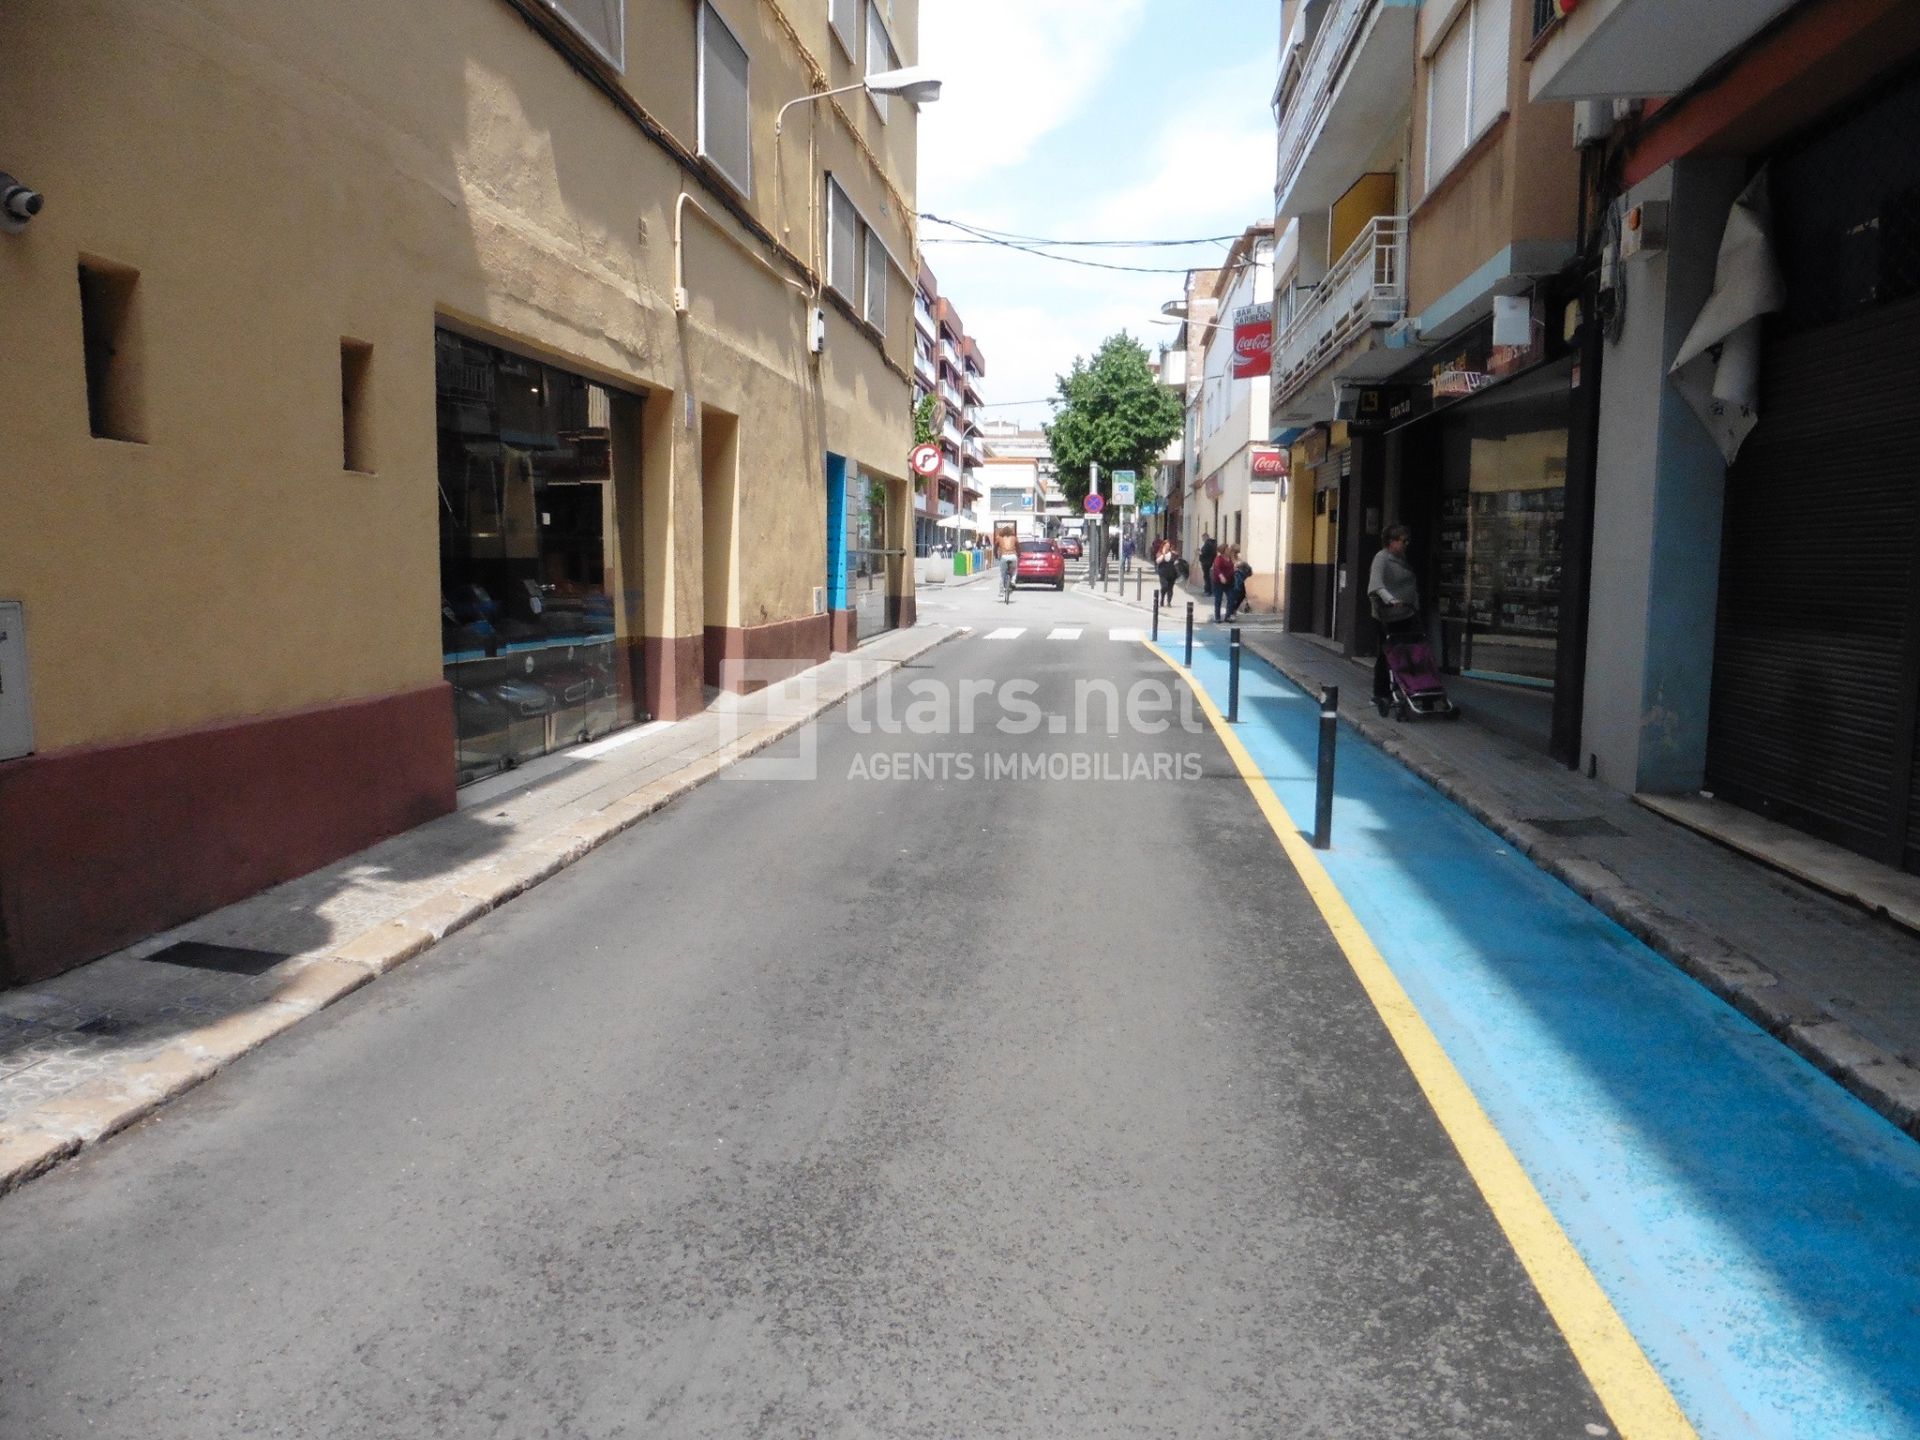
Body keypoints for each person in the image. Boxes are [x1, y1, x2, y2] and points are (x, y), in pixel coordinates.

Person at [1368, 524, 1421, 715]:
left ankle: (1406, 688)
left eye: (1407, 541)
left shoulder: (1402, 558)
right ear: (1391, 542)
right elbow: (1376, 584)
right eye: (1402, 541)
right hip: (1387, 616)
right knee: (1386, 654)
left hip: (1407, 614)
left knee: (1408, 652)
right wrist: (1391, 600)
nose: (1406, 544)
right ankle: (1380, 692)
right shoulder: (1381, 558)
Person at [1211, 544, 1237, 622]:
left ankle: (1228, 616)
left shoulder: (1230, 558)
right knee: (1218, 599)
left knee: (1231, 598)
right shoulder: (1218, 559)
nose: (1229, 550)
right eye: (1227, 549)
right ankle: (1217, 617)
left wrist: (1235, 570)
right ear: (1223, 551)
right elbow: (1217, 568)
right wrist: (1221, 576)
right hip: (1219, 582)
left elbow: (1232, 568)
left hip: (1229, 582)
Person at [994, 524, 1020, 601]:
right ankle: (1012, 581)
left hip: (1004, 556)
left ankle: (1001, 591)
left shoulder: (999, 538)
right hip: (1013, 556)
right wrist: (1019, 555)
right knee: (1015, 570)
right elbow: (1018, 548)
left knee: (1002, 574)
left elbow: (995, 548)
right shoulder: (1014, 538)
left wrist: (996, 556)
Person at [1197, 532, 1218, 599]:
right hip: (1210, 562)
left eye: (1203, 538)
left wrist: (1199, 552)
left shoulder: (1208, 544)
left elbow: (1204, 553)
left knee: (1207, 577)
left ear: (1205, 537)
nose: (1202, 539)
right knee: (1209, 577)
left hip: (1206, 563)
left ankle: (1208, 591)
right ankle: (1210, 591)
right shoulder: (1212, 543)